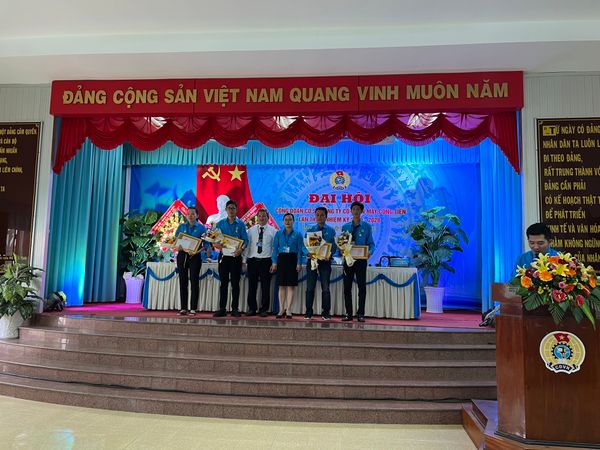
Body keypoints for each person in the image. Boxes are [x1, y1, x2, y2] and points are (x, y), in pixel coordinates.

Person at [212, 200, 249, 317]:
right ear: (226, 210)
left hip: (236, 257)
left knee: (235, 283)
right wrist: (216, 245)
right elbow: (215, 239)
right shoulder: (220, 224)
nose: (231, 210)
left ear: (236, 210)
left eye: (233, 208)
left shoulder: (241, 224)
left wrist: (241, 249)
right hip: (224, 257)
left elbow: (245, 240)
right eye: (229, 208)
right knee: (223, 283)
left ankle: (235, 309)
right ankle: (222, 308)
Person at [341, 201, 375, 322]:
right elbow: (342, 243)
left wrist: (369, 252)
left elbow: (371, 244)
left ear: (361, 211)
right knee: (347, 288)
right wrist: (341, 249)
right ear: (351, 211)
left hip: (361, 261)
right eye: (354, 209)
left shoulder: (366, 227)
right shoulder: (345, 227)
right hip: (348, 260)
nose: (356, 211)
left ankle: (361, 314)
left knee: (362, 287)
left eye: (358, 209)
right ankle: (348, 314)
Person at [304, 207, 337, 320]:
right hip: (312, 261)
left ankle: (326, 312)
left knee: (326, 288)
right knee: (310, 287)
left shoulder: (331, 231)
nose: (319, 217)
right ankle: (308, 311)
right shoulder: (310, 230)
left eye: (322, 215)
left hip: (325, 262)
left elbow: (334, 247)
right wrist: (307, 253)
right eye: (317, 215)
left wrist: (330, 254)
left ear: (326, 217)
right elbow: (304, 246)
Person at [174, 206, 208, 316]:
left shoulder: (202, 228)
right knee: (183, 282)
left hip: (195, 256)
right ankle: (183, 308)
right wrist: (177, 246)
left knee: (194, 282)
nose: (190, 216)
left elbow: (206, 245)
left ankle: (193, 308)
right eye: (188, 214)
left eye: (193, 214)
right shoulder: (181, 227)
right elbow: (176, 241)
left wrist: (198, 251)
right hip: (182, 256)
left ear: (197, 215)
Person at [243, 208, 276, 317]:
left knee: (265, 287)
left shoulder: (273, 231)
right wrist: (244, 261)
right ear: (257, 217)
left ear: (268, 218)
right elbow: (247, 246)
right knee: (252, 286)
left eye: (264, 216)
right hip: (252, 261)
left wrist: (274, 262)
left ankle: (264, 309)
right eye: (260, 216)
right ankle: (252, 308)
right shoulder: (250, 230)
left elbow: (274, 249)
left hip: (266, 261)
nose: (261, 218)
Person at [271, 213, 303, 319]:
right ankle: (281, 309)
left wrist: (299, 263)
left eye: (290, 219)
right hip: (281, 260)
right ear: (283, 221)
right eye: (286, 219)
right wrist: (274, 262)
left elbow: (299, 250)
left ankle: (289, 310)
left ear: (293, 221)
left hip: (292, 260)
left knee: (290, 286)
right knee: (281, 286)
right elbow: (275, 249)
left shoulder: (298, 234)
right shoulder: (278, 233)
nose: (288, 221)